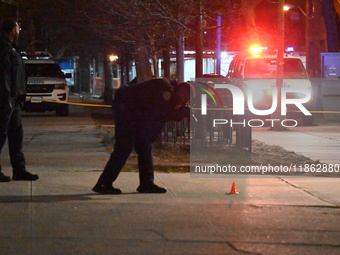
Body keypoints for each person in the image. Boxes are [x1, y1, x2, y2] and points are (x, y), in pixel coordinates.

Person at [93, 78, 194, 194]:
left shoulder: (168, 92)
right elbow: (160, 114)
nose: (183, 103)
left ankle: (146, 184)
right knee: (124, 148)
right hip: (126, 110)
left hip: (131, 111)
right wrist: (183, 112)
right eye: (185, 99)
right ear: (181, 92)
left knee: (144, 146)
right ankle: (103, 184)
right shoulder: (166, 90)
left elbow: (157, 115)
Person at [0, 18, 38, 182]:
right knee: (0, 136)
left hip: (14, 100)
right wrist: (7, 99)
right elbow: (3, 76)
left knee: (16, 136)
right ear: (12, 29)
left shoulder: (12, 47)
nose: (19, 30)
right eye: (17, 27)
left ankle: (19, 170)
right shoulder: (3, 48)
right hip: (5, 100)